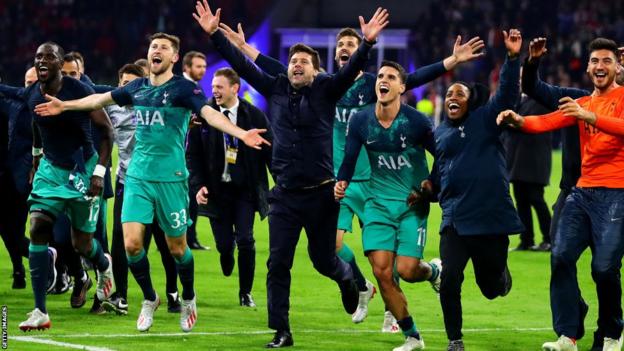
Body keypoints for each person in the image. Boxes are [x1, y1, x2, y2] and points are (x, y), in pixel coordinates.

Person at [219, 21, 484, 329]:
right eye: (341, 44)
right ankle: (361, 285)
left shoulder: (375, 84)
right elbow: (279, 69)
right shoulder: (325, 86)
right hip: (338, 179)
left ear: (360, 53)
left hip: (374, 180)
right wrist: (243, 47)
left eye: (350, 44)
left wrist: (451, 60)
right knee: (331, 245)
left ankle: (392, 311)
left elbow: (413, 78)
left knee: (388, 256)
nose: (344, 48)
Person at [34, 32, 269, 333]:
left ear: (173, 58)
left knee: (178, 249)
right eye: (153, 46)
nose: (156, 50)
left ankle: (188, 297)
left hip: (171, 180)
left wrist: (240, 133)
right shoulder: (138, 88)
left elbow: (210, 115)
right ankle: (149, 298)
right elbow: (99, 99)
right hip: (137, 178)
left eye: (163, 48)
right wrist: (65, 106)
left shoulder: (184, 89)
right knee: (132, 245)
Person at [193, 1, 387, 347]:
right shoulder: (276, 88)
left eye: (303, 62)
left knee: (324, 260)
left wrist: (367, 43)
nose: (296, 65)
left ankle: (347, 280)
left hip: (322, 193)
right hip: (284, 193)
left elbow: (348, 71)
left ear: (315, 70)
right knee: (278, 262)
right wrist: (215, 37)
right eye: (293, 61)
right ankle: (282, 330)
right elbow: (243, 66)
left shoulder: (328, 90)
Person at [498, 37, 624, 351]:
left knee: (604, 268)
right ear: (588, 67)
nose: (599, 66)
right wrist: (519, 120)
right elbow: (547, 121)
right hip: (580, 193)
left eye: (607, 60)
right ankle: (568, 335)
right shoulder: (579, 102)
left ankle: (611, 333)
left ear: (618, 66)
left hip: (617, 194)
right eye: (595, 61)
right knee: (561, 255)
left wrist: (591, 118)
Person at [416, 29, 524, 351]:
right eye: (450, 94)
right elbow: (440, 177)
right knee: (449, 280)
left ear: (470, 101)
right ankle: (455, 340)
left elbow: (505, 94)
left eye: (460, 94)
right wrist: (427, 189)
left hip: (489, 218)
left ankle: (501, 276)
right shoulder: (439, 136)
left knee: (490, 288)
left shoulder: (486, 119)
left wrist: (513, 58)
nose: (453, 98)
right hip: (456, 220)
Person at [335, 61, 440, 351]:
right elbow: (350, 157)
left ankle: (432, 271)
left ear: (402, 87)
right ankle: (413, 336)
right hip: (377, 203)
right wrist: (342, 181)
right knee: (382, 272)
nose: (383, 80)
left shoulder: (417, 122)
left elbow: (442, 155)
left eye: (391, 77)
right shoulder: (360, 120)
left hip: (411, 204)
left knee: (406, 270)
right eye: (380, 76)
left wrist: (431, 185)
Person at [13, 41, 115, 331]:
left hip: (82, 169)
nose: (42, 61)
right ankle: (39, 311)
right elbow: (37, 127)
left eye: (49, 57)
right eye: (37, 57)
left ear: (60, 63)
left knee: (82, 243)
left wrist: (98, 172)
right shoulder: (34, 93)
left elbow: (107, 131)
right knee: (37, 228)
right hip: (50, 170)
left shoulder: (79, 90)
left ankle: (103, 267)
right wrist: (35, 161)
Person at [100, 63, 182, 316]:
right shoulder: (112, 107)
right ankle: (121, 296)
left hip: (159, 181)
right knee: (123, 242)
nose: (127, 88)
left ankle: (172, 292)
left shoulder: (156, 105)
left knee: (166, 241)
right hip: (128, 180)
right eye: (123, 83)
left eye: (131, 83)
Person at [188, 67, 272, 308]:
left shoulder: (254, 116)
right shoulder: (202, 115)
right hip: (216, 191)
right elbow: (192, 155)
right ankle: (226, 253)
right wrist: (199, 185)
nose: (214, 91)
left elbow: (269, 150)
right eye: (213, 87)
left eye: (219, 87)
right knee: (225, 245)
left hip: (244, 190)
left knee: (246, 240)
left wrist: (279, 183)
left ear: (235, 88)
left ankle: (245, 293)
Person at [0, 67, 37, 290]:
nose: (30, 86)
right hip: (5, 177)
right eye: (27, 82)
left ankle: (46, 259)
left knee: (13, 229)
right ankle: (19, 269)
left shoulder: (38, 108)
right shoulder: (10, 104)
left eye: (34, 81)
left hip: (22, 178)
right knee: (7, 229)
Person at [503, 90, 553, 252]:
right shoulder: (521, 100)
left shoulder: (540, 100)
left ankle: (550, 239)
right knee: (522, 201)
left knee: (536, 199)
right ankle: (526, 240)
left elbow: (530, 124)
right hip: (519, 161)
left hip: (533, 160)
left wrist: (506, 123)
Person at [181, 50, 210, 250]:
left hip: (191, 151)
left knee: (190, 197)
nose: (202, 70)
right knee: (188, 197)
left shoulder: (196, 88)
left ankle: (190, 238)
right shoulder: (182, 89)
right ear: (186, 68)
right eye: (198, 66)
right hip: (180, 153)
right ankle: (188, 239)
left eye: (204, 66)